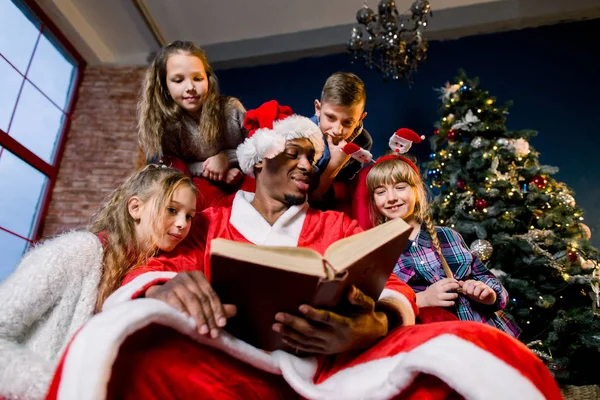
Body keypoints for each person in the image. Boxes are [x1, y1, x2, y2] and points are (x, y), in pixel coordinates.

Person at [45, 105, 560, 400]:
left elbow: (398, 285)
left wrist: (377, 323)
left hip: (330, 367)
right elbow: (159, 267)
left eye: (314, 158)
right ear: (259, 158)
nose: (308, 166)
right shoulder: (208, 222)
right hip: (231, 364)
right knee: (119, 347)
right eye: (296, 154)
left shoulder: (333, 223)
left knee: (467, 347)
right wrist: (166, 289)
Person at [0, 164, 197, 400]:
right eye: (172, 209)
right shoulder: (79, 251)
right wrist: (57, 388)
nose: (182, 223)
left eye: (189, 216)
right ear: (135, 208)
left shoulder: (148, 275)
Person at [364, 129, 521, 337]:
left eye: (400, 187)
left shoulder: (447, 236)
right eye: (381, 192)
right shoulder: (380, 252)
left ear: (417, 191)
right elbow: (378, 304)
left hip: (487, 332)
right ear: (374, 201)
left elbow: (487, 279)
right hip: (438, 342)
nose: (391, 198)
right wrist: (422, 299)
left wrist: (487, 293)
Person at [138, 40, 247, 208]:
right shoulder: (169, 126)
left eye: (197, 78)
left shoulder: (231, 109)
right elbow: (179, 165)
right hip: (202, 195)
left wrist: (226, 159)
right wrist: (214, 172)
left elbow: (257, 147)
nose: (190, 87)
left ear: (208, 80)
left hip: (246, 182)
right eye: (178, 80)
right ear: (165, 86)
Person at [309, 72, 372, 210]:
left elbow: (342, 189)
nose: (337, 130)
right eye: (331, 117)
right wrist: (335, 164)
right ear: (318, 108)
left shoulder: (362, 143)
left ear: (360, 118)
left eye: (348, 122)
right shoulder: (302, 137)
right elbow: (308, 200)